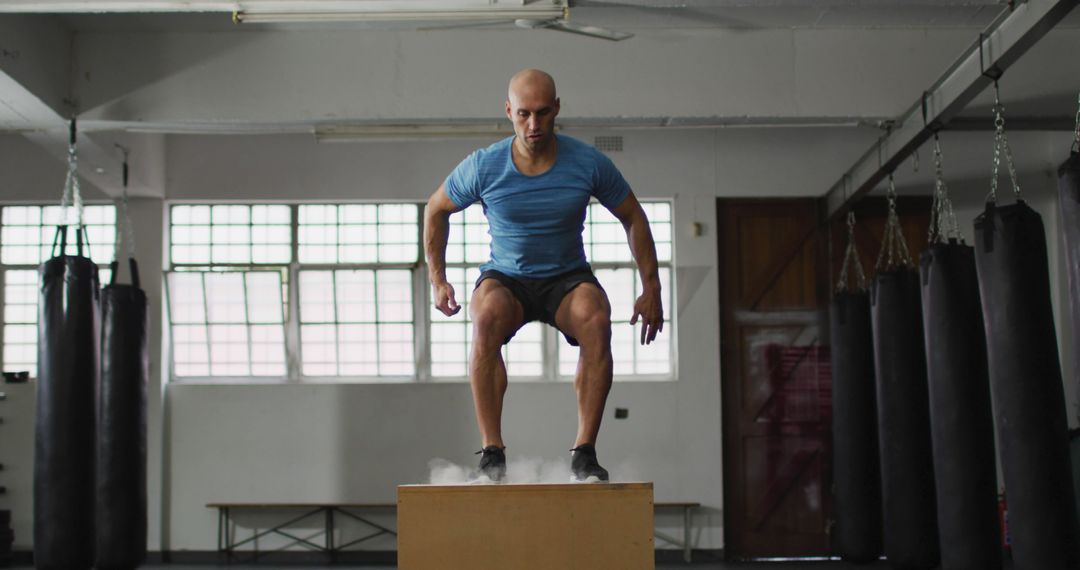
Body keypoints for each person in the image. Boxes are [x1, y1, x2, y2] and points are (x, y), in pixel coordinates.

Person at [424, 68, 664, 482]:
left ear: (556, 109)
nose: (533, 125)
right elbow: (435, 209)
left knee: (596, 319)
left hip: (566, 277)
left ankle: (584, 453)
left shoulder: (587, 163)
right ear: (508, 112)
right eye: (522, 115)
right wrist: (438, 278)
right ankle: (492, 453)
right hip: (506, 278)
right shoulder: (484, 166)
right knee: (485, 317)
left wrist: (652, 287)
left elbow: (633, 216)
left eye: (541, 114)